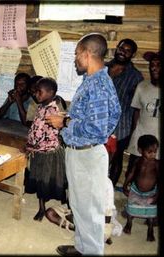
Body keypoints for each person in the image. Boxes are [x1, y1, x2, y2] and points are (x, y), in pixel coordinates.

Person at [45, 33, 121, 255]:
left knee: (91, 211)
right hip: (80, 153)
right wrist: (68, 116)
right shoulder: (91, 80)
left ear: (88, 54)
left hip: (87, 155)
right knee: (79, 206)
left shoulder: (98, 84)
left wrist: (66, 121)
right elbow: (107, 116)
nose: (75, 59)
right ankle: (82, 247)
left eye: (77, 54)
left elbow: (97, 130)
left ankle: (91, 251)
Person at [24, 77, 67, 221]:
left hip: (49, 153)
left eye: (39, 92)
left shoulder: (53, 111)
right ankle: (42, 208)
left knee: (48, 180)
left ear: (51, 92)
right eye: (35, 91)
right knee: (40, 181)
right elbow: (35, 128)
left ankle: (63, 206)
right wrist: (30, 143)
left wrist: (30, 146)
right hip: (39, 152)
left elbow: (44, 136)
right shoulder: (41, 107)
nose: (36, 94)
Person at [106, 39, 144, 187]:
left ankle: (109, 191)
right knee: (98, 157)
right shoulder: (103, 68)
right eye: (121, 48)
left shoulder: (135, 76)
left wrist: (133, 131)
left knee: (116, 159)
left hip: (121, 127)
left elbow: (136, 107)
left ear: (132, 55)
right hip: (99, 123)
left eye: (128, 51)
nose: (123, 52)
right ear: (117, 48)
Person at [45, 177, 121, 245]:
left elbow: (107, 218)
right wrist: (74, 214)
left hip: (100, 217)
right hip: (80, 213)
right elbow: (70, 202)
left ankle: (85, 232)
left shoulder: (106, 183)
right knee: (50, 213)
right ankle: (78, 229)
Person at [125, 51, 161, 179]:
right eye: (152, 64)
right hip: (140, 138)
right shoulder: (142, 87)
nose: (154, 68)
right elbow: (136, 112)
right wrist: (133, 135)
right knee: (133, 171)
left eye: (158, 64)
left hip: (158, 143)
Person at [123, 134, 159, 242]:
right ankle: (129, 224)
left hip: (150, 192)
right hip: (135, 189)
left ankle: (150, 230)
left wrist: (157, 195)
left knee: (151, 211)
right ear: (140, 150)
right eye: (149, 152)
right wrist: (125, 185)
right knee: (131, 205)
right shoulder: (138, 161)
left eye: (155, 151)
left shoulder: (156, 164)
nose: (153, 154)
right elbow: (131, 173)